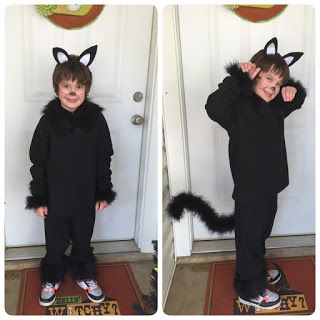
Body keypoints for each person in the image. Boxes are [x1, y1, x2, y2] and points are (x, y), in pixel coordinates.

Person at [204, 37, 306, 309]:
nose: (273, 87)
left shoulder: (275, 107)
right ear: (253, 74)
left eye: (278, 82)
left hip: (271, 184)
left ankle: (256, 268)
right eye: (268, 79)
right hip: (250, 189)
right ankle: (250, 286)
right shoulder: (236, 108)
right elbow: (212, 106)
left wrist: (292, 90)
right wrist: (237, 77)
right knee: (249, 237)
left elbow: (297, 100)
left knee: (261, 231)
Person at [25, 45, 116, 307]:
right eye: (66, 86)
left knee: (83, 240)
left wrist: (103, 191)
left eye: (78, 86)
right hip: (55, 198)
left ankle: (85, 275)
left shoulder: (97, 121)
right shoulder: (48, 122)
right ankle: (52, 278)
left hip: (85, 196)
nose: (72, 92)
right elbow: (38, 161)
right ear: (57, 89)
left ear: (87, 89)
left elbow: (104, 157)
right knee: (55, 242)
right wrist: (39, 198)